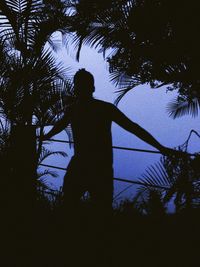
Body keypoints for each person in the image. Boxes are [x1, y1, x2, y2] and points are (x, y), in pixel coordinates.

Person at [42, 68, 174, 216]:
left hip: (89, 166)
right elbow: (133, 128)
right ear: (91, 88)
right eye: (79, 85)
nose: (80, 88)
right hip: (95, 167)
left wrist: (47, 136)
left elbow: (133, 128)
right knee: (94, 210)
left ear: (87, 88)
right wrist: (160, 147)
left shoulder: (80, 109)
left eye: (81, 85)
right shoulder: (97, 109)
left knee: (74, 207)